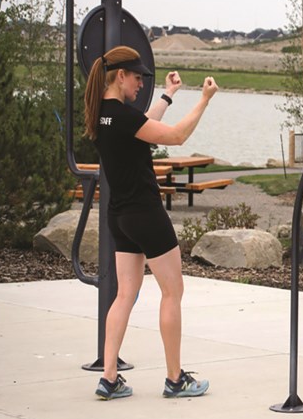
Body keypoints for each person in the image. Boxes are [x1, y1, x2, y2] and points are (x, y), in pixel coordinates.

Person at [83, 45, 219, 400]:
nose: (142, 82)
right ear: (121, 76)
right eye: (138, 77)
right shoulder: (124, 118)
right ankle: (175, 379)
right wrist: (204, 100)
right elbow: (173, 136)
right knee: (173, 292)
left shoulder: (102, 116)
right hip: (146, 214)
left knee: (125, 294)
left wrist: (169, 94)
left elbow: (146, 126)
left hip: (120, 218)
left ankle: (109, 377)